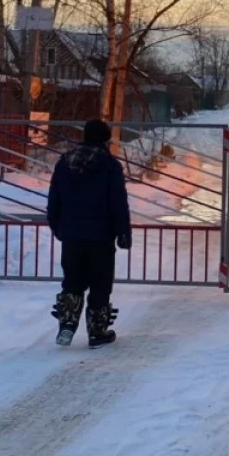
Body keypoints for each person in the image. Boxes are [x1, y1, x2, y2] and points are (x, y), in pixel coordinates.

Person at [47, 119, 132, 348]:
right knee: (100, 283)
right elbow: (118, 203)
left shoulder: (64, 163)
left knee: (72, 280)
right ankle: (97, 331)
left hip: (72, 234)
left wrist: (56, 225)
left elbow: (54, 197)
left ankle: (67, 323)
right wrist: (123, 232)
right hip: (101, 236)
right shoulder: (109, 166)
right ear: (105, 140)